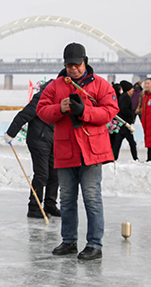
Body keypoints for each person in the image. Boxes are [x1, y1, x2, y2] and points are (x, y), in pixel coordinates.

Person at [36, 42, 118, 261]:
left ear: (85, 62)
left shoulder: (100, 84)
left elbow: (110, 111)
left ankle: (94, 244)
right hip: (65, 149)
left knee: (92, 197)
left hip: (92, 150)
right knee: (67, 198)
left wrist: (85, 112)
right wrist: (59, 109)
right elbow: (41, 110)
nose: (73, 68)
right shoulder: (55, 86)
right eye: (69, 65)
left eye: (76, 64)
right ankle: (69, 241)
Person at [4, 79, 60, 219]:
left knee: (55, 174)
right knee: (42, 174)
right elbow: (24, 115)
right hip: (38, 140)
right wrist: (11, 133)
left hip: (53, 140)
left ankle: (50, 205)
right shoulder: (41, 98)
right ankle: (34, 207)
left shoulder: (61, 100)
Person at [111, 80, 138, 161]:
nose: (133, 91)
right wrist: (131, 115)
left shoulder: (123, 96)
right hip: (125, 123)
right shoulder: (126, 97)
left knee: (117, 143)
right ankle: (135, 158)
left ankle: (114, 157)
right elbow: (124, 109)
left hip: (121, 123)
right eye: (132, 89)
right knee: (132, 143)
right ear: (129, 89)